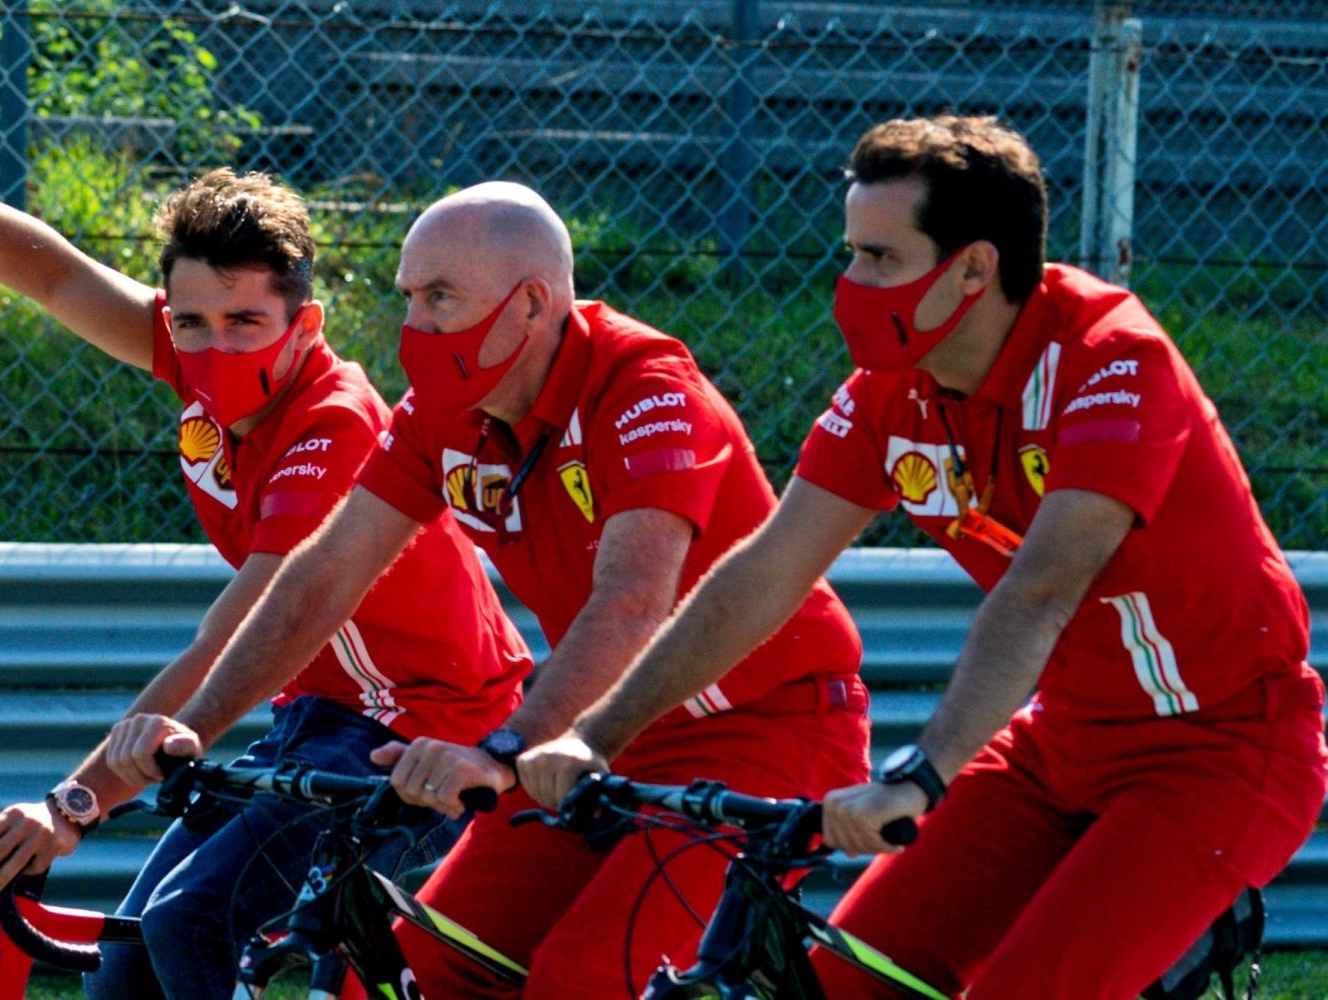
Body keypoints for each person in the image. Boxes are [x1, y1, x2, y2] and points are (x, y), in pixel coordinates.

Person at [520, 114, 1328, 999]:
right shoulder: (889, 389)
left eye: (880, 259)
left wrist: (922, 775)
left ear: (974, 269)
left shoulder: (1110, 358)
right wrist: (597, 734)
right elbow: (767, 570)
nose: (850, 282)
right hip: (1055, 744)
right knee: (844, 978)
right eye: (850, 253)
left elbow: (1040, 592)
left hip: (1221, 749)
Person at [0, 76, 532, 999]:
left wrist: (74, 804)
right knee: (127, 957)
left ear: (307, 325)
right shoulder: (199, 353)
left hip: (427, 725)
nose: (215, 351)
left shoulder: (335, 424)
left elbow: (239, 630)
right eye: (191, 323)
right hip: (320, 718)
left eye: (246, 322)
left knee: (190, 927)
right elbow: (55, 276)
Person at [122, 179, 871, 997]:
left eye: (441, 298)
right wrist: (189, 729)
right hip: (589, 731)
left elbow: (632, 603)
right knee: (413, 969)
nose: (414, 327)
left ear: (529, 304)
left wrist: (504, 750)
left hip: (763, 728)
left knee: (580, 979)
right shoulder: (442, 409)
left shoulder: (648, 387)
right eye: (408, 296)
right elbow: (322, 576)